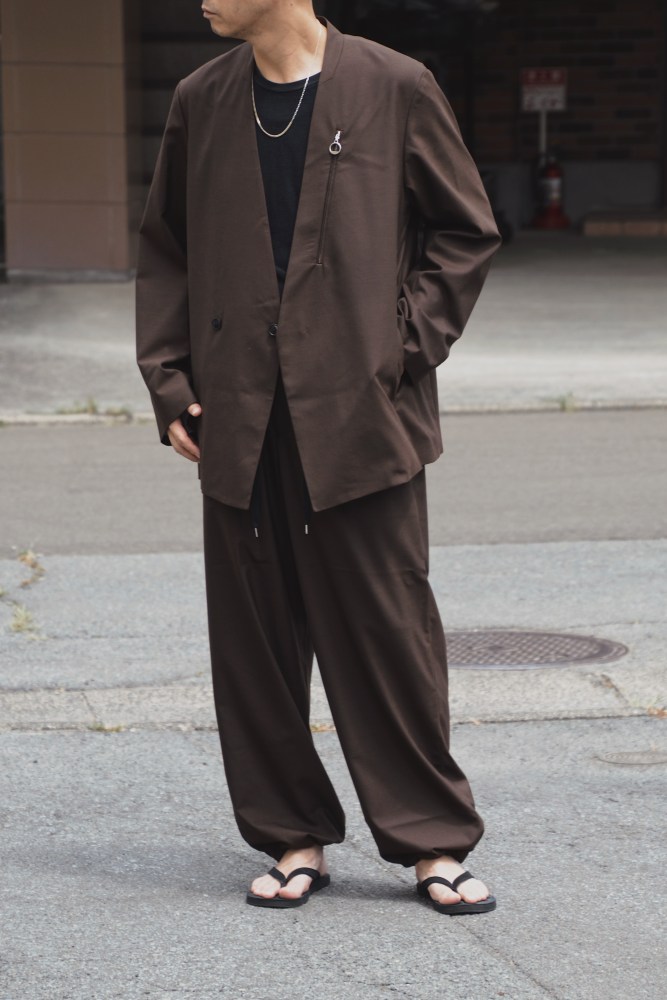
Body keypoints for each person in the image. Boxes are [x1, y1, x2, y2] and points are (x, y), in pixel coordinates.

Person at [136, 0, 502, 914]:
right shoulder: (200, 99)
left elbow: (463, 233)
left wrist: (397, 349)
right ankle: (290, 834)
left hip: (361, 418)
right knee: (255, 644)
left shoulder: (394, 85)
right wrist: (170, 381)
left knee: (387, 633)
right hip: (239, 410)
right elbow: (166, 250)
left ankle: (431, 842)